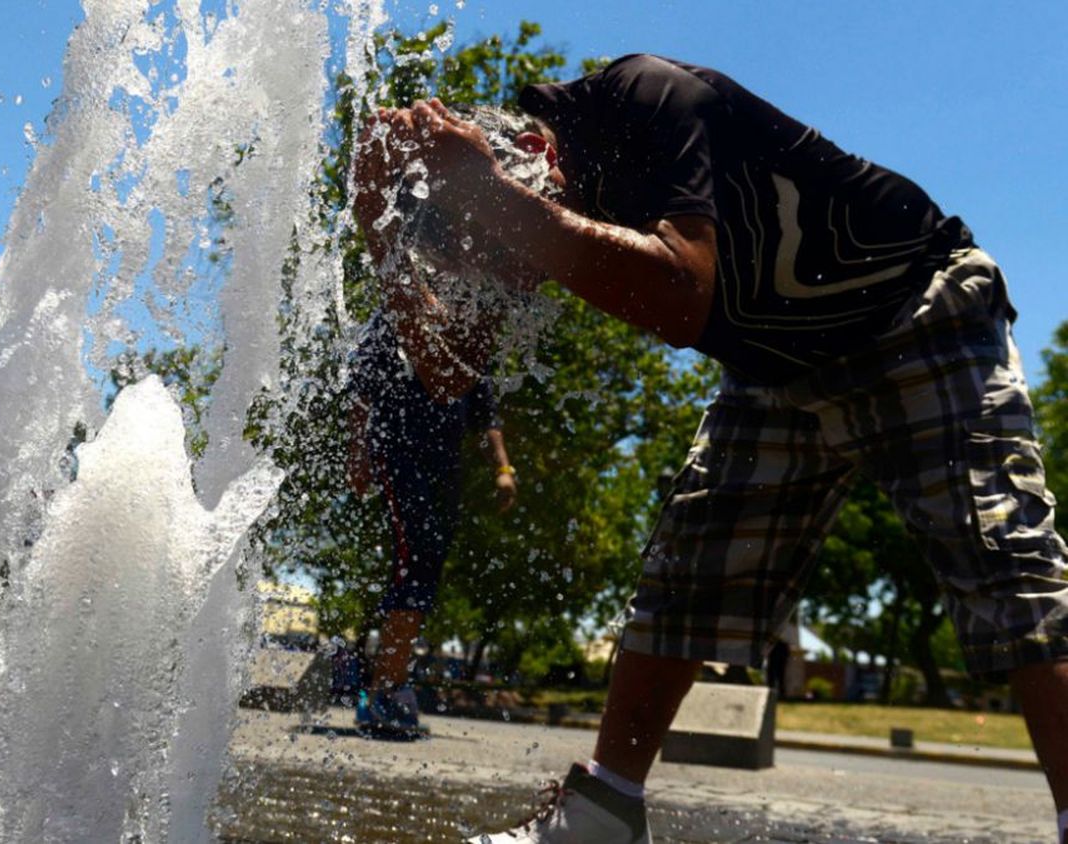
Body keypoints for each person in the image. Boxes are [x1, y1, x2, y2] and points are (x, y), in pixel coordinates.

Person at [354, 55, 1068, 843]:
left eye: (496, 254)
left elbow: (682, 295)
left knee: (1004, 560)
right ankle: (602, 815)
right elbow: (450, 373)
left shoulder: (645, 95)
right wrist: (375, 234)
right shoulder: (522, 207)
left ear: (534, 161)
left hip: (915, 307)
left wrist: (491, 200)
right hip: (777, 364)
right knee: (686, 574)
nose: (513, 281)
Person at [345, 315, 517, 736]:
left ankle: (390, 683)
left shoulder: (468, 319)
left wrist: (503, 468)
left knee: (428, 566)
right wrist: (358, 451)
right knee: (416, 555)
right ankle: (383, 691)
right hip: (397, 450)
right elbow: (361, 390)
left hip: (445, 464)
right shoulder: (396, 313)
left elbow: (485, 411)